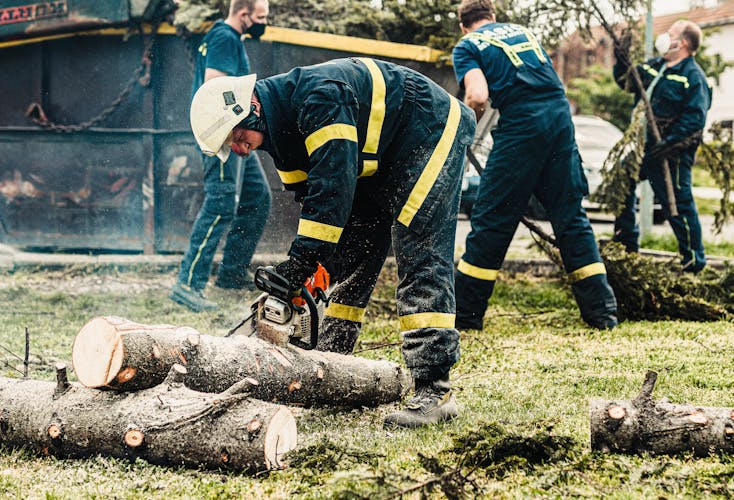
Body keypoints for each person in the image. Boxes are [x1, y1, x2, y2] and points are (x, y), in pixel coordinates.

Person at [189, 58, 476, 427]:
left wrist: (299, 264)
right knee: (354, 255)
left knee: (419, 250)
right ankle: (333, 361)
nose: (240, 150)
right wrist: (310, 273)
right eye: (232, 144)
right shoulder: (278, 139)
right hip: (376, 161)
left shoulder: (320, 98)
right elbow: (316, 205)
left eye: (237, 137)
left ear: (252, 109)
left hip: (429, 129)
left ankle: (435, 390)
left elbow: (332, 191)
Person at [452, 0, 618, 330]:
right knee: (570, 216)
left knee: (493, 218)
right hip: (559, 118)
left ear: (462, 24)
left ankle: (466, 316)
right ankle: (603, 314)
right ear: (493, 16)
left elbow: (478, 96)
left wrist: (463, 130)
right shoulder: (523, 32)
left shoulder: (467, 45)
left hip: (522, 124)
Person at [170, 0, 272, 312]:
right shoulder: (224, 38)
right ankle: (188, 284)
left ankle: (230, 275)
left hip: (233, 132)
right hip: (223, 134)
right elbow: (214, 88)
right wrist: (234, 131)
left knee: (258, 197)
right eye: (260, 17)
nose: (263, 23)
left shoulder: (226, 38)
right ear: (244, 15)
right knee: (220, 204)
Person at [612, 20, 712, 273]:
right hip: (644, 147)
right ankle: (625, 245)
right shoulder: (656, 66)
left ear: (684, 43)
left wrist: (669, 144)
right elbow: (628, 82)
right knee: (622, 181)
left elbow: (695, 119)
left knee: (676, 203)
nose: (665, 37)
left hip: (673, 153)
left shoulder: (693, 77)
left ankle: (693, 261)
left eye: (671, 34)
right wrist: (622, 59)